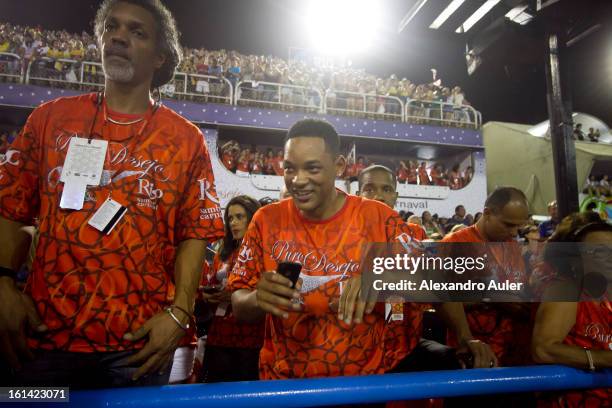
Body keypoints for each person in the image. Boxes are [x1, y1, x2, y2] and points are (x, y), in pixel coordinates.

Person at [0, 0, 224, 388]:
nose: (119, 36)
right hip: (43, 337)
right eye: (112, 28)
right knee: (29, 402)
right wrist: (1, 284)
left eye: (137, 32)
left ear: (160, 56)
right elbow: (11, 206)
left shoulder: (185, 140)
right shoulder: (50, 118)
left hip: (135, 347)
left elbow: (196, 234)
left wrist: (179, 314)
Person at [228, 119, 496, 380]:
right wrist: (257, 299)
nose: (298, 180)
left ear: (339, 166)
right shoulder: (265, 220)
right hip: (287, 385)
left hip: (366, 384)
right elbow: (239, 302)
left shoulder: (379, 218)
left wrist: (381, 278)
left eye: (312, 168)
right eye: (289, 169)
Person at [442, 187, 533, 367]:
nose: (515, 232)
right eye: (508, 224)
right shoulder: (456, 244)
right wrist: (490, 298)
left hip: (512, 352)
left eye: (519, 226)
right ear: (487, 213)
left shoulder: (512, 246)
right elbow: (439, 299)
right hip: (474, 356)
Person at [532, 212, 611, 407]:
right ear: (576, 260)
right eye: (599, 251)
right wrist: (605, 359)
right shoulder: (565, 290)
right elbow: (543, 350)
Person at [200, 196, 264, 383]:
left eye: (239, 217)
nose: (233, 223)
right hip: (218, 336)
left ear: (253, 218)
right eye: (230, 218)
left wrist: (238, 295)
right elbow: (211, 283)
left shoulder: (263, 252)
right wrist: (207, 295)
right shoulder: (223, 252)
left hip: (250, 340)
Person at [357, 164, 427, 240]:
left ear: (395, 196)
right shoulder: (343, 232)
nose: (378, 197)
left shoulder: (415, 234)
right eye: (369, 190)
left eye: (386, 190)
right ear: (358, 196)